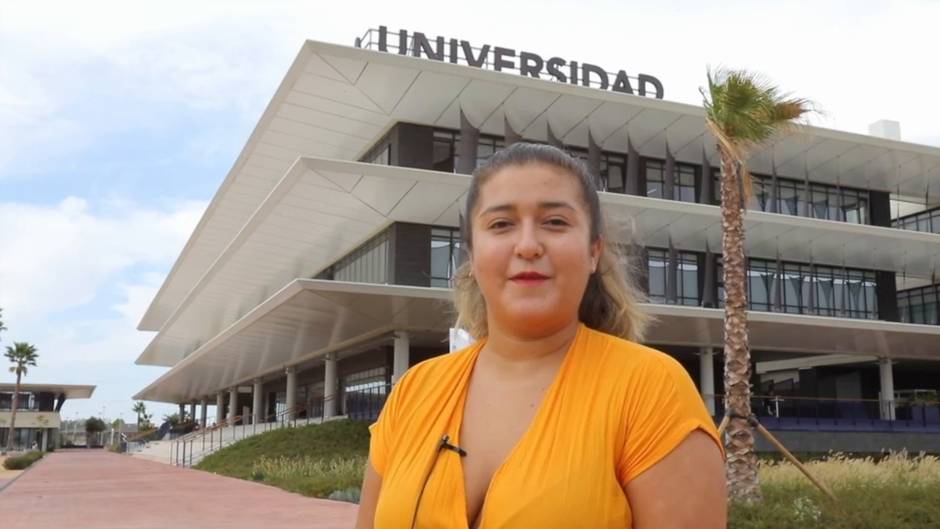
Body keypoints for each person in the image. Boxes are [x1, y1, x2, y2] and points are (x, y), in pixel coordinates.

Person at [355, 143, 726, 529]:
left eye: (555, 222)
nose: (528, 245)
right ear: (472, 252)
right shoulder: (414, 391)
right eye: (500, 224)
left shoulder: (651, 390)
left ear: (594, 251)